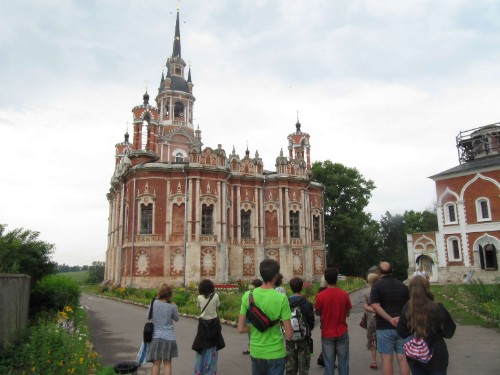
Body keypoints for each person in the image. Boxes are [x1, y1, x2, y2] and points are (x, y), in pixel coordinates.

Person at [238, 258, 293, 375]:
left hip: (256, 352)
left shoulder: (248, 296)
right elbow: (289, 334)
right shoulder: (281, 298)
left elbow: (241, 328)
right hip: (275, 353)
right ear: (276, 275)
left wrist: (254, 327)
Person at [397, 277, 456, 375]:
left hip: (416, 353)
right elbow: (449, 331)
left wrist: (412, 332)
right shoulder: (437, 307)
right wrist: (438, 330)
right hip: (436, 352)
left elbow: (401, 331)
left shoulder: (407, 308)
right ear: (427, 288)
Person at [370, 261, 410, 375]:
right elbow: (409, 305)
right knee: (403, 359)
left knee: (387, 359)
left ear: (379, 272)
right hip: (402, 327)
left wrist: (390, 319)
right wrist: (400, 318)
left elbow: (375, 306)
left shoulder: (377, 286)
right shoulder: (403, 286)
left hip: (384, 327)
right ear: (392, 271)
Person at [314, 267, 352, 375]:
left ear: (325, 279)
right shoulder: (344, 294)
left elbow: (317, 312)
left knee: (329, 363)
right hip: (342, 331)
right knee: (343, 362)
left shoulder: (321, 296)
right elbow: (348, 313)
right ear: (337, 279)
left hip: (327, 333)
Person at [192, 279, 225, 375]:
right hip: (214, 324)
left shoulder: (199, 297)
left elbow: (199, 307)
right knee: (213, 347)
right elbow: (218, 305)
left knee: (201, 346)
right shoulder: (216, 296)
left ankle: (199, 370)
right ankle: (210, 371)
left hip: (202, 324)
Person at [146, 283, 179, 375]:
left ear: (159, 292)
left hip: (156, 337)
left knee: (156, 363)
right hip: (169, 338)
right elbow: (176, 319)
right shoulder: (173, 305)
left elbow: (148, 315)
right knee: (167, 363)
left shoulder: (154, 302)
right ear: (170, 293)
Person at [285, 277, 315, 375]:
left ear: (291, 288)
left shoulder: (286, 303)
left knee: (290, 368)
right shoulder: (307, 303)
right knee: (303, 369)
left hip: (290, 338)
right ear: (302, 287)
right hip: (304, 339)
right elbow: (311, 323)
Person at [363, 273, 379, 370]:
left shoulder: (366, 292)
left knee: (372, 339)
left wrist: (372, 309)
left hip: (371, 319)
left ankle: (374, 362)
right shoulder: (381, 290)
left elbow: (365, 306)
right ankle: (386, 358)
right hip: (382, 318)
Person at [243, 278, 264, 355]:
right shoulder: (263, 293)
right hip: (260, 316)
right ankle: (260, 347)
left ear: (253, 285)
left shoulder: (248, 294)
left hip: (251, 316)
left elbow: (245, 307)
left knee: (250, 333)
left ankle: (251, 347)